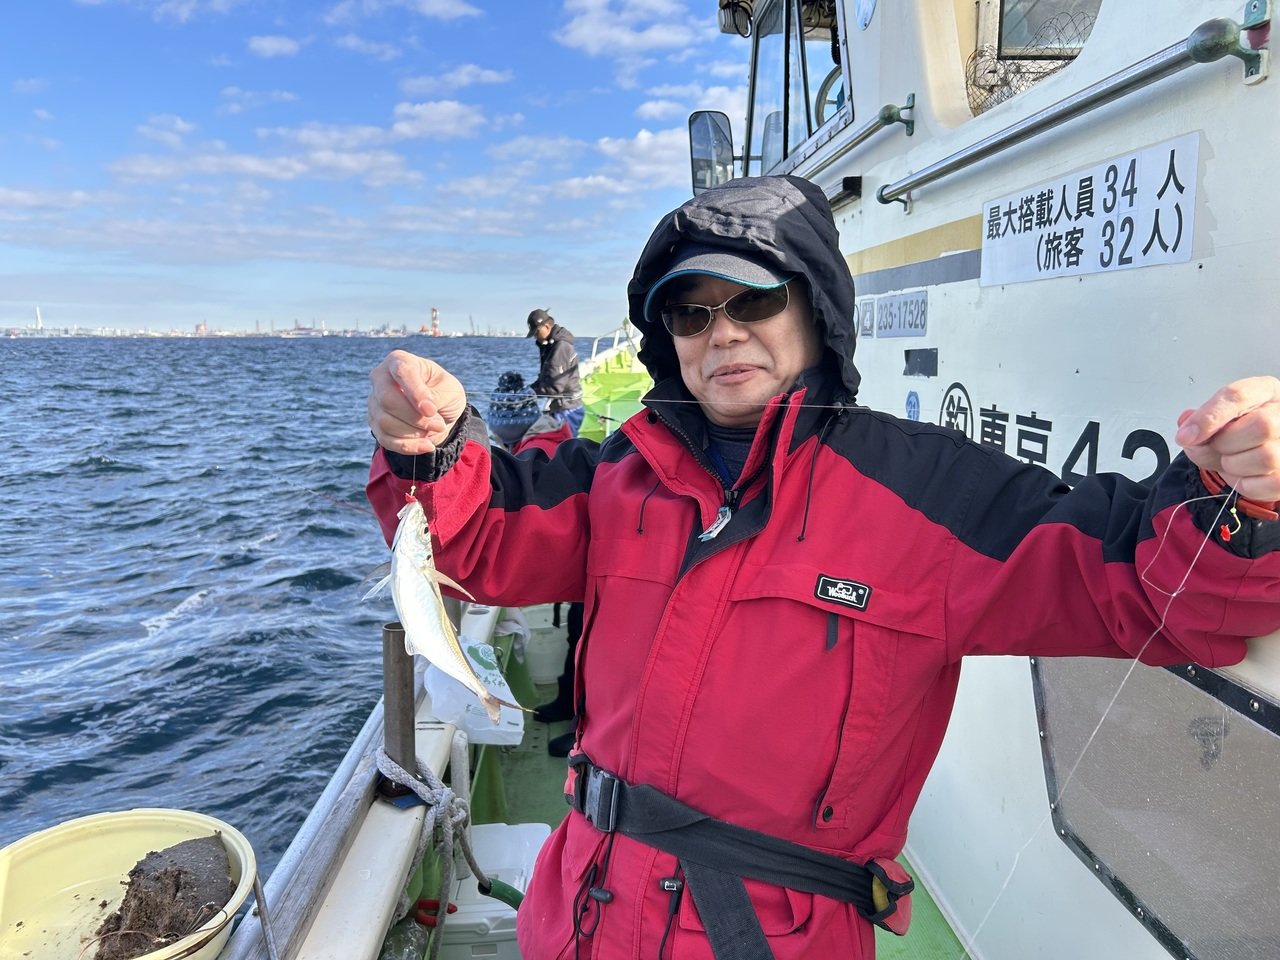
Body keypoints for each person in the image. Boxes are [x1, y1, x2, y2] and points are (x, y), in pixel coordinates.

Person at [366, 176, 1280, 960]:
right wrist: (426, 450)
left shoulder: (927, 490)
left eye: (753, 302)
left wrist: (1244, 496)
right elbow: (474, 542)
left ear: (814, 309)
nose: (723, 334)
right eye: (691, 313)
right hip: (582, 910)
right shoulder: (617, 473)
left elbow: (1142, 585)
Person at [527, 308, 585, 436]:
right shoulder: (549, 346)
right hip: (559, 407)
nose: (535, 337)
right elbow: (546, 378)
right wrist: (527, 389)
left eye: (536, 332)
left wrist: (530, 393)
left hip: (568, 409)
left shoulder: (560, 347)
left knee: (562, 444)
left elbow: (556, 386)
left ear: (547, 327)